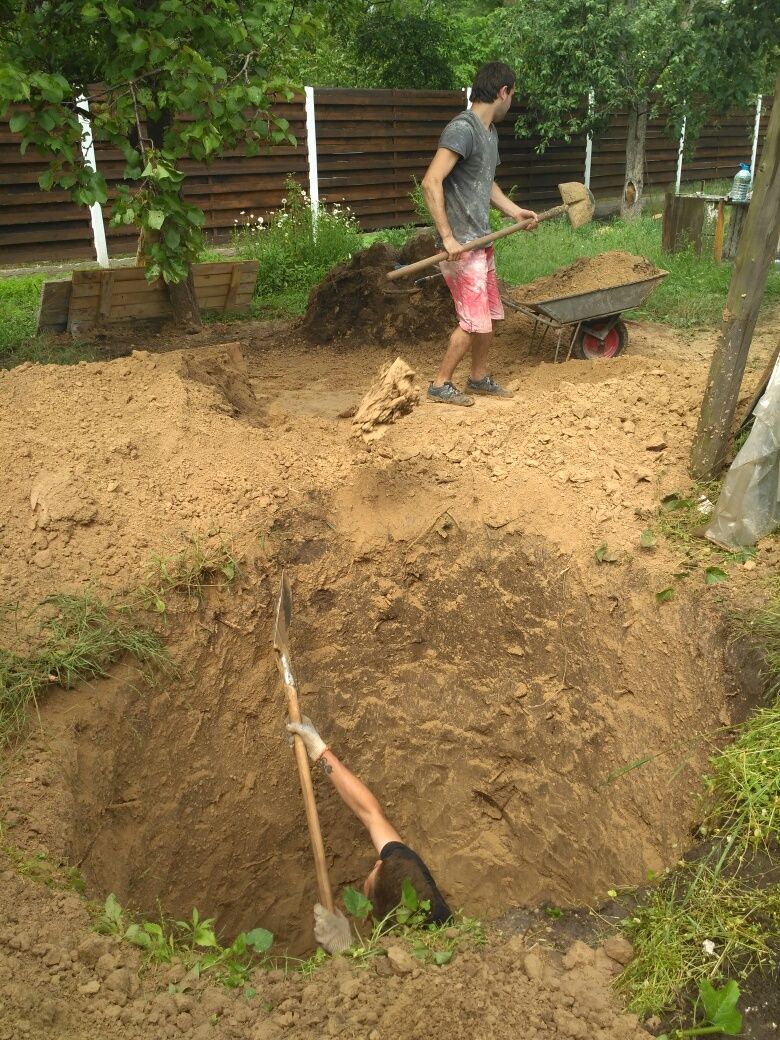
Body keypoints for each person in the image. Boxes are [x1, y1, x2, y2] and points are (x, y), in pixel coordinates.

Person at [421, 61, 539, 407]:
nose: (511, 103)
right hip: (461, 246)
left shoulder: (489, 134)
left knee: (488, 316)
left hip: (481, 241)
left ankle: (478, 378)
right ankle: (440, 383)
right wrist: (447, 237)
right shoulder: (463, 129)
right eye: (512, 96)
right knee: (472, 321)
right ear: (503, 92)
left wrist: (513, 210)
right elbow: (431, 181)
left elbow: (485, 183)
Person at [286, 715, 451, 954]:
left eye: (375, 872)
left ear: (378, 908)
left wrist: (341, 947)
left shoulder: (406, 956)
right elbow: (371, 813)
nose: (376, 862)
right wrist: (319, 750)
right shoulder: (414, 881)